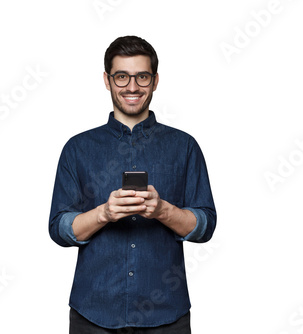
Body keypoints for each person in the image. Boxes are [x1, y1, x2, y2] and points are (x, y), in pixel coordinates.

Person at [49, 35, 217, 333]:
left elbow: (205, 227)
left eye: (142, 76)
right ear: (107, 80)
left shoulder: (184, 146)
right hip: (93, 313)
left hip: (167, 313)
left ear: (154, 81)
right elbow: (60, 229)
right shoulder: (77, 148)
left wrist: (164, 210)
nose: (132, 86)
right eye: (122, 76)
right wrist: (104, 214)